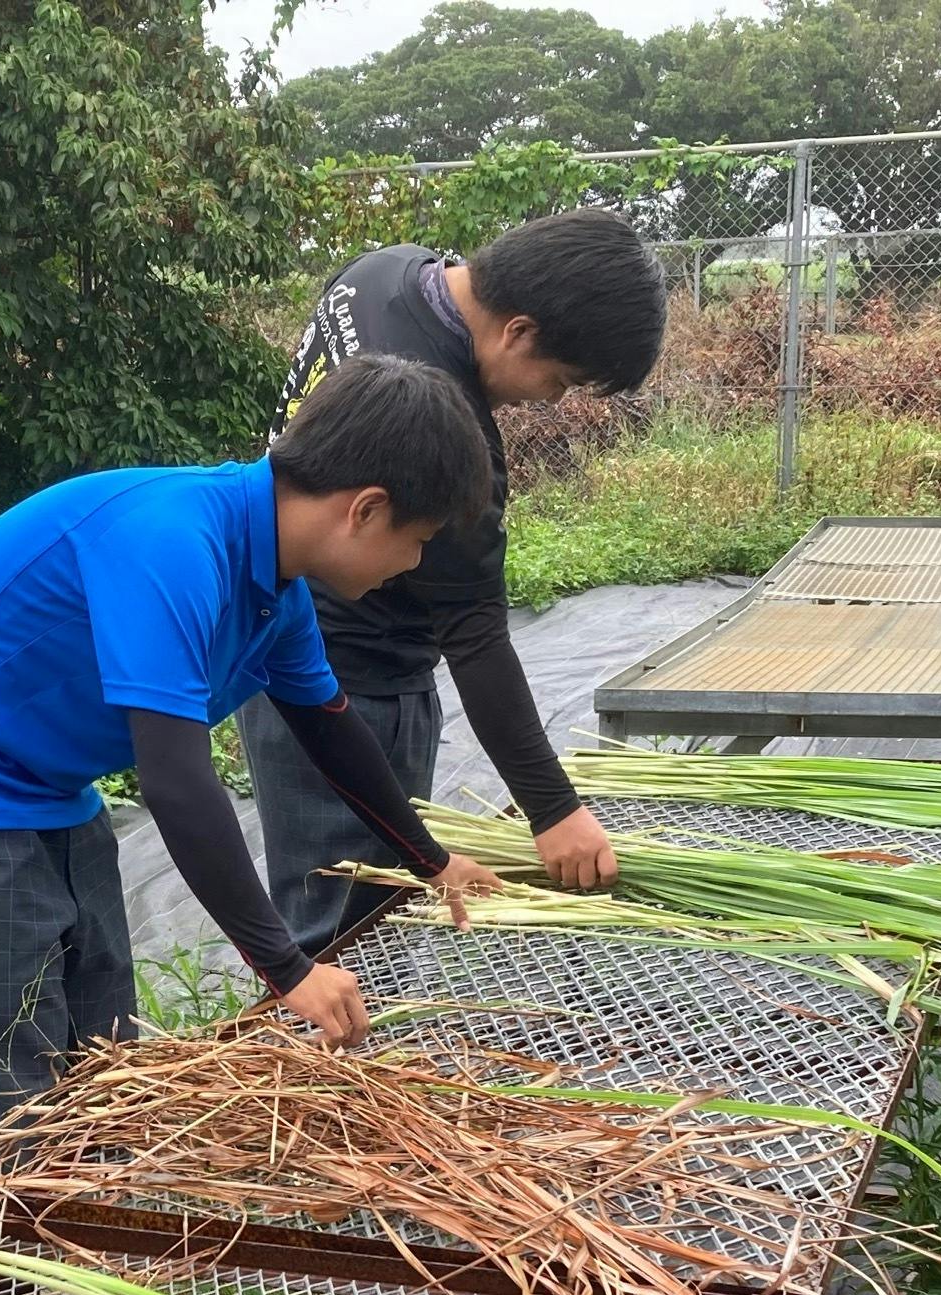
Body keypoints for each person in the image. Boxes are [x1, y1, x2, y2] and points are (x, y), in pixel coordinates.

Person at [0, 354, 502, 1175]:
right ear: (365, 510)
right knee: (1, 1116)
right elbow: (175, 778)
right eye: (416, 543)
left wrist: (433, 861)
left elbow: (331, 730)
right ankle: (6, 1293)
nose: (410, 566)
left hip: (53, 792)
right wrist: (287, 967)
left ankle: (86, 1278)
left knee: (102, 1075)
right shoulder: (174, 541)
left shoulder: (277, 590)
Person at [242, 210, 673, 955]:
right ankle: (323, 1066)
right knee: (352, 927)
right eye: (562, 381)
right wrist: (554, 810)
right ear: (520, 331)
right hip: (352, 689)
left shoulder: (379, 272)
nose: (552, 402)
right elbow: (473, 635)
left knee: (340, 902)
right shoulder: (445, 433)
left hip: (275, 641)